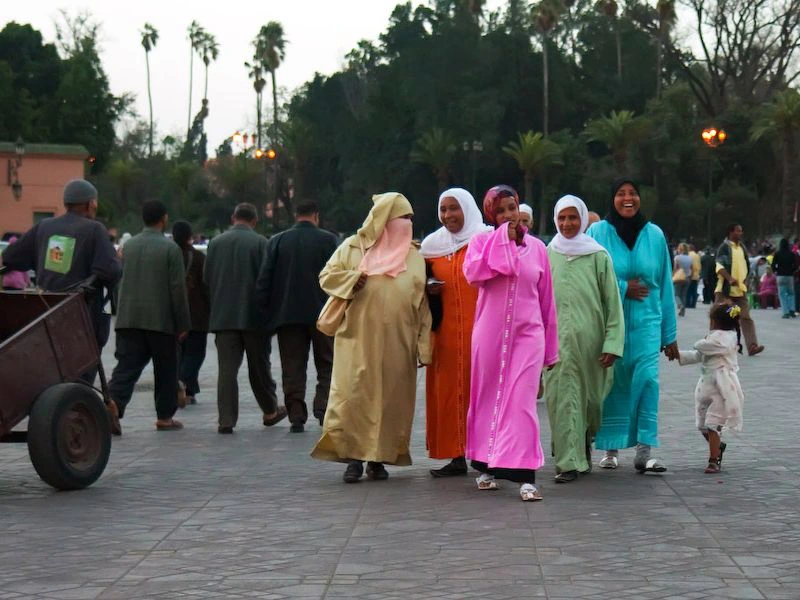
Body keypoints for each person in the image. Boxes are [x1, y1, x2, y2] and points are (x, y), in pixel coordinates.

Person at [311, 193, 432, 483]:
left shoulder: (414, 258)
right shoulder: (352, 249)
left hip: (398, 344)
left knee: (391, 401)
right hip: (356, 340)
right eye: (403, 217)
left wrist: (424, 348)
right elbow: (326, 277)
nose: (409, 223)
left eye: (411, 219)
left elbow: (424, 307)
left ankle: (380, 459)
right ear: (385, 220)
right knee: (353, 397)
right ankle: (353, 459)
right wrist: (353, 279)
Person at [463, 185, 558, 502]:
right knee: (488, 397)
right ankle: (485, 466)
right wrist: (503, 241)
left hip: (529, 336)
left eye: (511, 208)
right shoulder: (481, 243)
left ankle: (525, 475)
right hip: (490, 335)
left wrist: (551, 349)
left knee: (521, 401)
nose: (507, 215)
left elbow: (547, 302)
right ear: (491, 214)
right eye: (500, 210)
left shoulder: (538, 248)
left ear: (519, 209)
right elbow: (474, 274)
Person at [587, 179, 678, 473]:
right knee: (612, 383)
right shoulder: (597, 233)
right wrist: (622, 286)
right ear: (611, 198)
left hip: (647, 324)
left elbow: (664, 285)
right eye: (620, 194)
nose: (628, 199)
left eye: (633, 193)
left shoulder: (654, 235)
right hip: (610, 325)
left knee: (648, 380)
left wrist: (669, 334)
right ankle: (610, 448)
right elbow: (587, 275)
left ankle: (644, 450)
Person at [1, 179, 121, 385]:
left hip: (46, 312)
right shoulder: (94, 229)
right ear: (89, 203)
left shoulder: (44, 226)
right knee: (82, 376)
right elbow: (111, 270)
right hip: (82, 316)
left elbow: (12, 257)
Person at [544, 195, 624, 484]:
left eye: (572, 218)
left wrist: (612, 343)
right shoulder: (547, 253)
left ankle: (582, 445)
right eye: (562, 218)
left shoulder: (598, 255)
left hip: (592, 345)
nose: (567, 223)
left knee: (590, 404)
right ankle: (568, 462)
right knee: (560, 400)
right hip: (555, 344)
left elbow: (612, 303)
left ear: (582, 220)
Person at [420, 187, 490, 477]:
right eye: (444, 209)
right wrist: (427, 287)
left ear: (468, 208)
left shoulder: (485, 239)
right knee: (449, 394)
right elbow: (416, 284)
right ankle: (455, 455)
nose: (448, 215)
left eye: (454, 208)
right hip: (445, 335)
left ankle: (485, 454)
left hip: (482, 331)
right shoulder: (431, 247)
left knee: (482, 393)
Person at [106, 200, 190, 434]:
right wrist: (183, 323)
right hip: (160, 321)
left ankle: (113, 405)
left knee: (126, 367)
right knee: (166, 370)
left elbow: (116, 282)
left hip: (128, 318)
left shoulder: (127, 247)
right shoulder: (170, 249)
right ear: (164, 218)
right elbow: (177, 289)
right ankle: (164, 417)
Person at [256, 200, 339, 432]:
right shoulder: (329, 240)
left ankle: (296, 414)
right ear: (316, 215)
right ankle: (323, 407)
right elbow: (341, 276)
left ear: (296, 215)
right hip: (324, 314)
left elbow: (264, 281)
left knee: (292, 366)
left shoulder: (277, 241)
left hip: (287, 315)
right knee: (327, 363)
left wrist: (266, 314)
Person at [204, 203, 286, 434]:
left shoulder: (216, 243)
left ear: (233, 217)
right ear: (255, 220)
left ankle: (226, 420)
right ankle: (270, 410)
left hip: (223, 317)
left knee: (226, 371)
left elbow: (207, 278)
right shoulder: (261, 243)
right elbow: (269, 280)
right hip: (254, 317)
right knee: (259, 367)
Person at [674, 302, 744, 474]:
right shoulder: (712, 337)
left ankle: (713, 460)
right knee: (702, 425)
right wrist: (678, 355)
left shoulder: (728, 337)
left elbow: (707, 347)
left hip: (722, 387)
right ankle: (718, 446)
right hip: (705, 386)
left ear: (714, 321)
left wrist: (699, 342)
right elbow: (699, 355)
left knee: (713, 423)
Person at [172, 220, 210, 403]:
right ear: (190, 236)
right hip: (197, 314)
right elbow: (207, 286)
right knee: (195, 353)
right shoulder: (199, 258)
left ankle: (189, 390)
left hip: (174, 313)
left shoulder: (170, 254)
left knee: (180, 352)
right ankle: (183, 382)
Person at [715, 224, 764, 356]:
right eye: (738, 231)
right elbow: (719, 267)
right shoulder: (724, 247)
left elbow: (746, 266)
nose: (740, 233)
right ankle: (715, 345)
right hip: (725, 291)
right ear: (731, 232)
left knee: (746, 317)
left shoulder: (742, 247)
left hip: (740, 291)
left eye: (741, 231)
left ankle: (752, 346)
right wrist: (730, 278)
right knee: (720, 318)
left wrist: (746, 280)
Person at [772, 238, 798, 318]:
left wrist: (776, 271)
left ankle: (785, 312)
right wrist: (792, 271)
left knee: (782, 294)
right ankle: (792, 310)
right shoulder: (791, 254)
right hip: (789, 276)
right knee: (791, 293)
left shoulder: (777, 253)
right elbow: (796, 265)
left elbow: (773, 264)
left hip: (780, 276)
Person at [673, 243, 692, 317]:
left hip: (679, 277)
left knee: (676, 294)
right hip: (687, 278)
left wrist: (673, 275)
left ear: (680, 249)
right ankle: (682, 311)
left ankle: (680, 305)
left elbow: (675, 268)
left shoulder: (677, 257)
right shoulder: (689, 258)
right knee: (684, 295)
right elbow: (691, 268)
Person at [687, 244, 702, 308]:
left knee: (688, 291)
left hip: (689, 275)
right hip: (696, 275)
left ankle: (688, 304)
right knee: (694, 291)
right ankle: (693, 304)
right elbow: (699, 266)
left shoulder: (688, 255)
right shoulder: (697, 255)